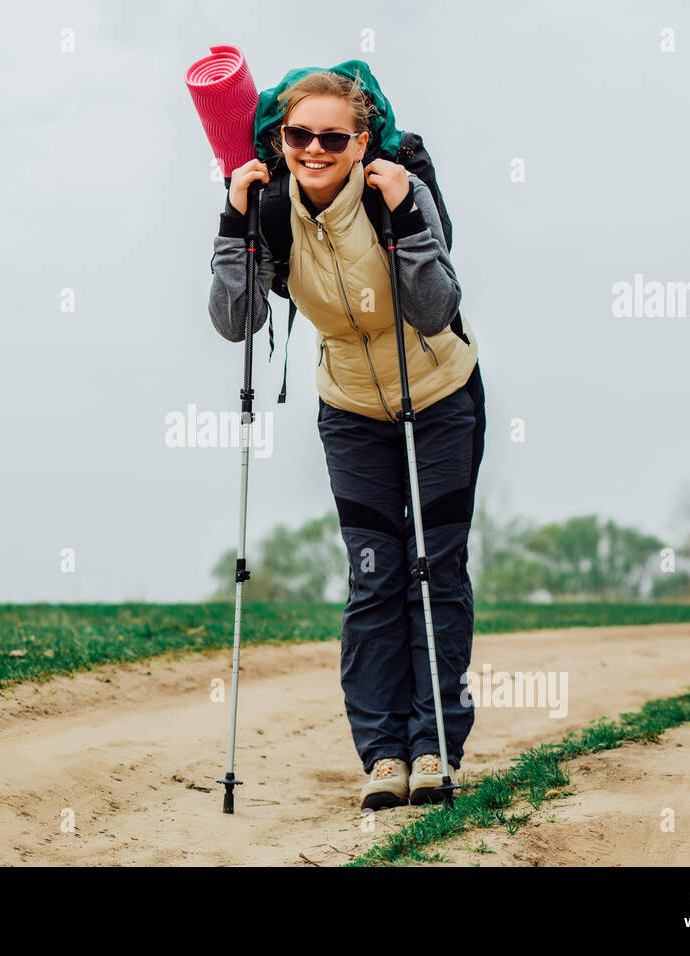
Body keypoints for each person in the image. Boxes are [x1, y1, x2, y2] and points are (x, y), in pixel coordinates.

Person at [207, 69, 486, 811]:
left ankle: (434, 746)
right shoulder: (268, 208)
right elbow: (237, 322)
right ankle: (383, 753)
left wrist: (408, 219)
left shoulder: (397, 194)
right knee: (373, 576)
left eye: (335, 138)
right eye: (301, 136)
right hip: (351, 409)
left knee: (436, 569)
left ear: (361, 143)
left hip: (440, 396)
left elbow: (434, 310)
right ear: (280, 140)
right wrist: (232, 223)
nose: (316, 149)